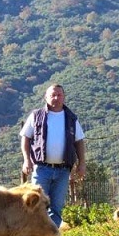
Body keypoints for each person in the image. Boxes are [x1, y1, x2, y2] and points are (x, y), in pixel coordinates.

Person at [20, 84, 86, 227]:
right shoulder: (36, 116)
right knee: (37, 204)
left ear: (64, 97)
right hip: (42, 169)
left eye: (59, 95)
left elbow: (79, 141)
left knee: (56, 207)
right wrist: (26, 160)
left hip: (63, 170)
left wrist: (81, 164)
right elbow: (25, 137)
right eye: (53, 95)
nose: (56, 98)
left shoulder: (71, 118)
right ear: (46, 97)